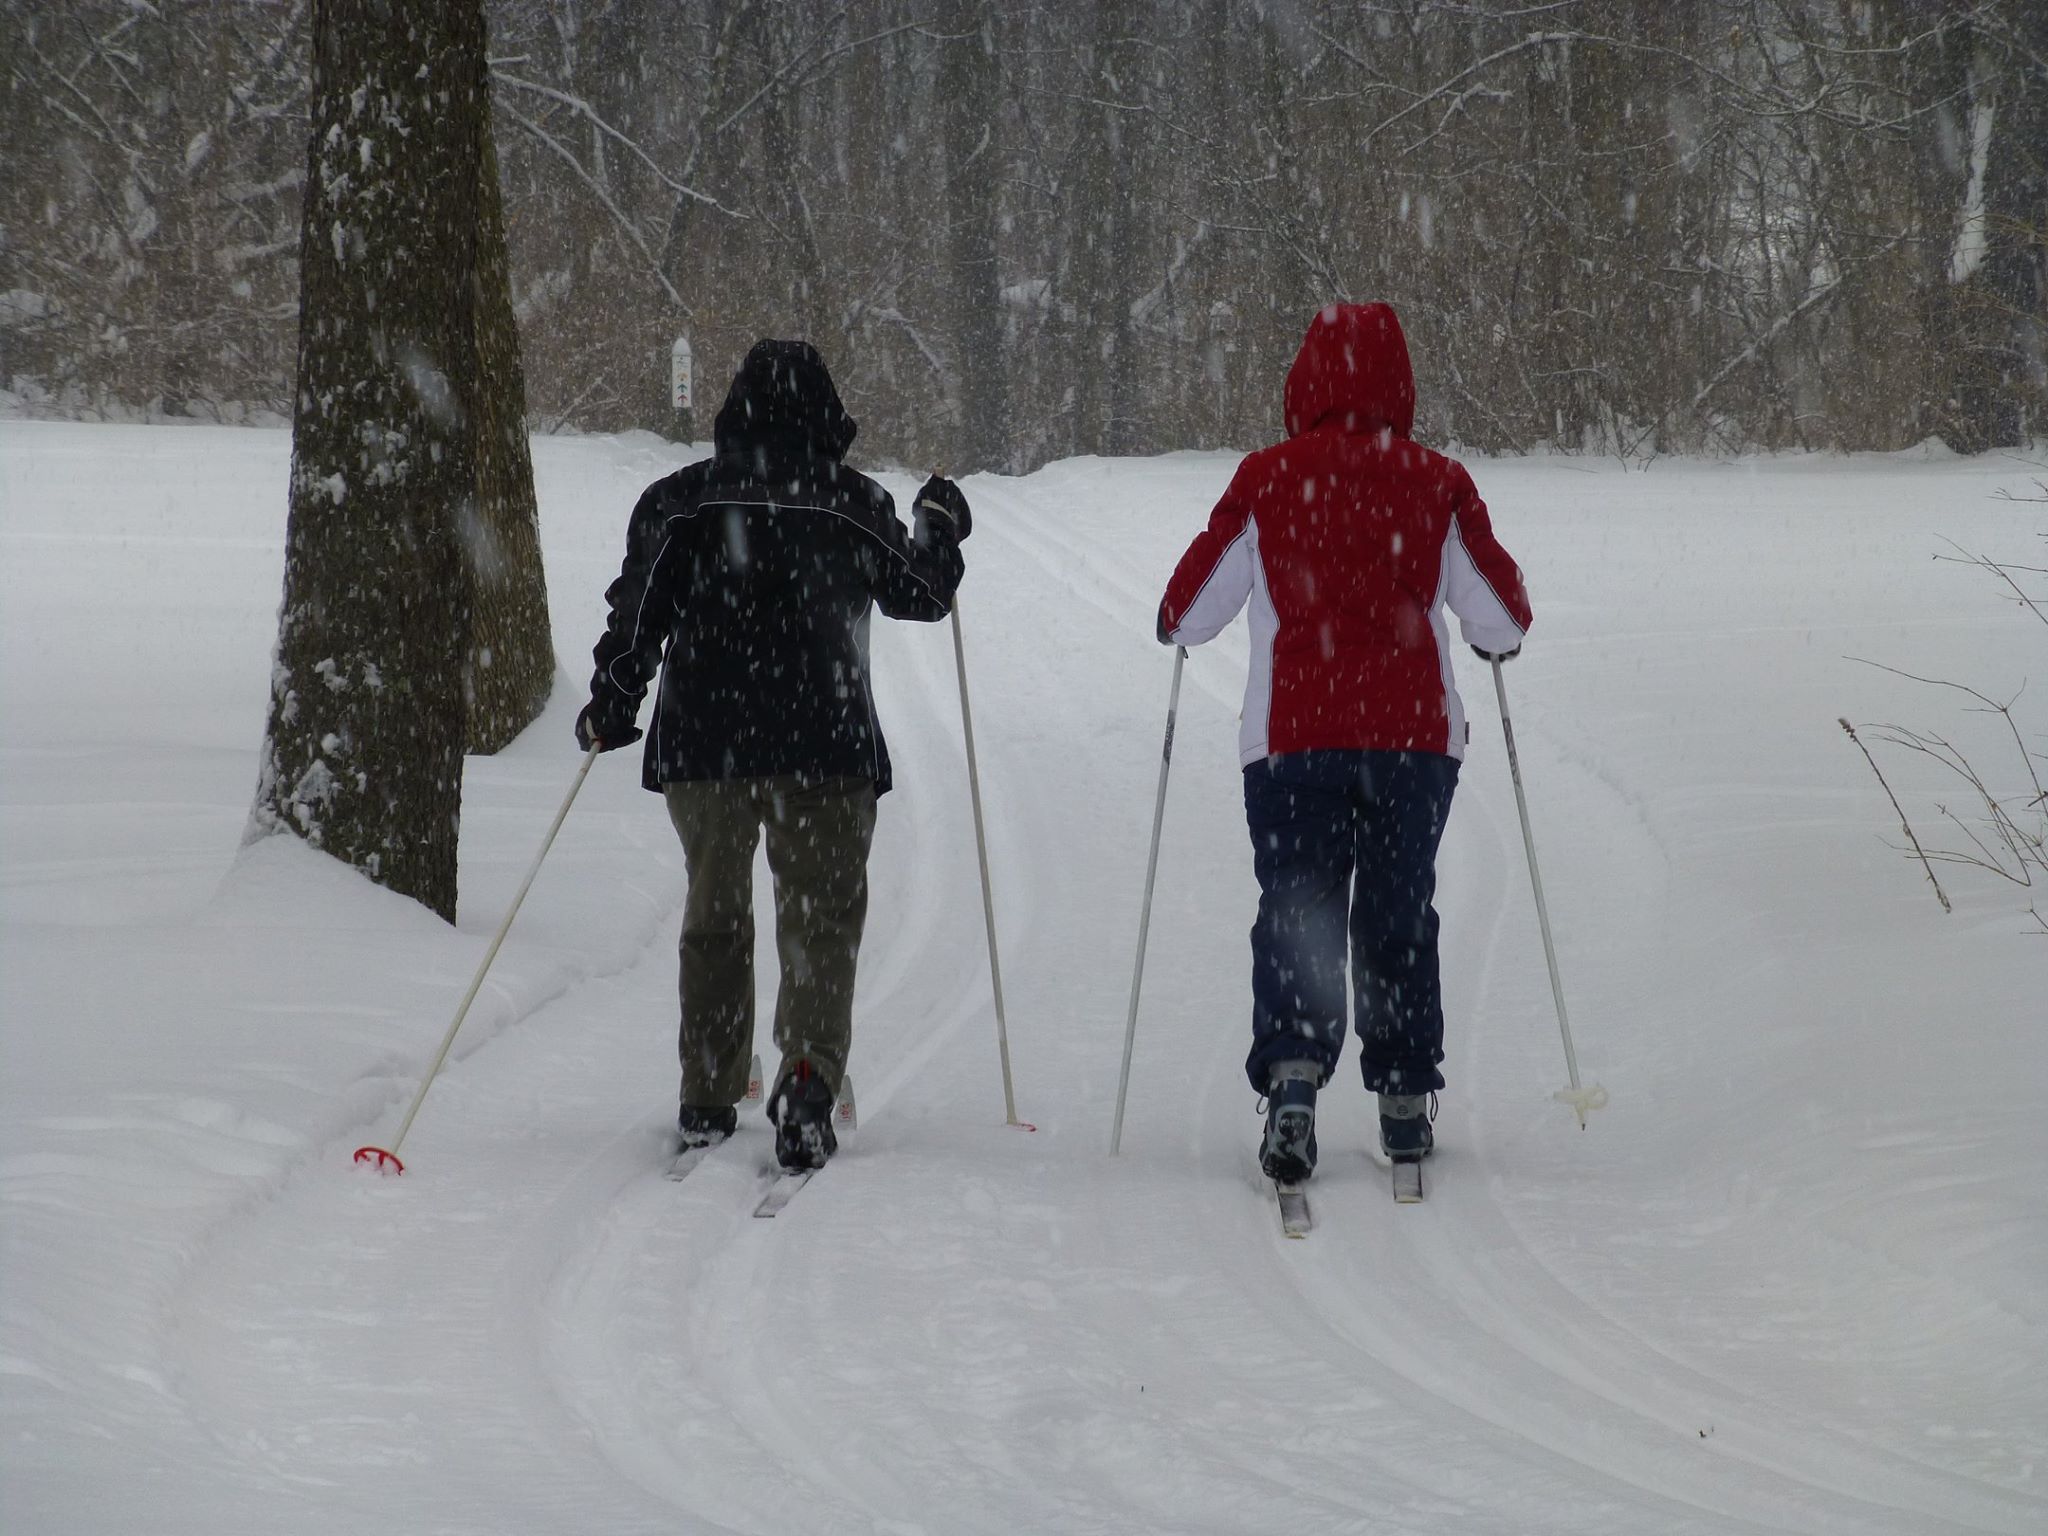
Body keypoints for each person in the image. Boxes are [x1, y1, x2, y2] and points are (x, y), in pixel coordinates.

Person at [1155, 303, 1531, 1184]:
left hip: (1294, 740)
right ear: (1400, 382)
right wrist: (1486, 639)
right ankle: (1402, 1096)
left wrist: (1176, 615)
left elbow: (1190, 611)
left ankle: (1292, 1085)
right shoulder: (1437, 482)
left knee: (1299, 908)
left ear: (1304, 382)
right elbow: (1501, 617)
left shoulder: (1267, 479)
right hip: (1411, 744)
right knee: (1398, 910)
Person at [577, 339, 970, 1172]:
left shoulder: (680, 503)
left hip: (705, 740)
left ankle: (709, 1093)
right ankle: (805, 1082)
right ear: (827, 416)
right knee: (820, 922)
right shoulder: (851, 502)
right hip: (822, 742)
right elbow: (921, 593)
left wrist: (615, 700)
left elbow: (637, 609)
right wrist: (939, 527)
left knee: (714, 917)